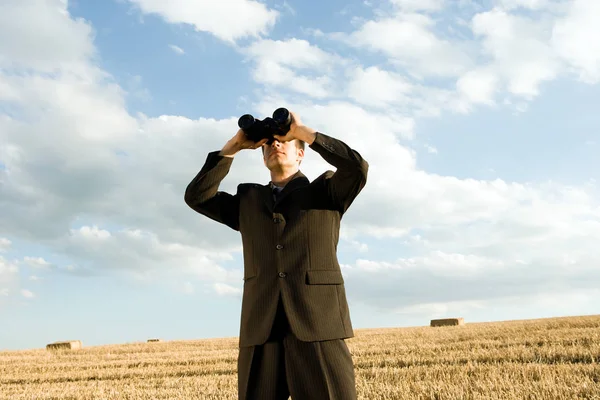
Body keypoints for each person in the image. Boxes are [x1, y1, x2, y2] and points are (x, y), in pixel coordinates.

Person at [184, 110, 368, 399]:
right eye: (268, 144)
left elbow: (357, 169)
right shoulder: (248, 201)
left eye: (283, 142)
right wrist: (232, 147)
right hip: (261, 326)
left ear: (300, 154)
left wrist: (304, 133)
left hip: (316, 321)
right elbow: (197, 196)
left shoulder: (327, 192)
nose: (275, 145)